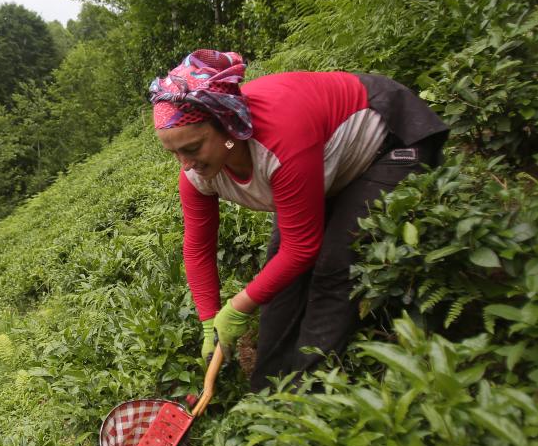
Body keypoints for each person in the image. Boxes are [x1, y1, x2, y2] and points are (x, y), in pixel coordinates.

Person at [149, 50, 448, 390]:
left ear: (228, 125)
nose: (185, 164)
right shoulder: (198, 174)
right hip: (324, 166)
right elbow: (199, 249)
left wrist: (237, 307)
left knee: (334, 266)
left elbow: (303, 246)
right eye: (173, 152)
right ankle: (267, 391)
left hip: (389, 139)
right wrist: (208, 321)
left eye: (192, 148)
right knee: (279, 273)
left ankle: (308, 394)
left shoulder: (280, 139)